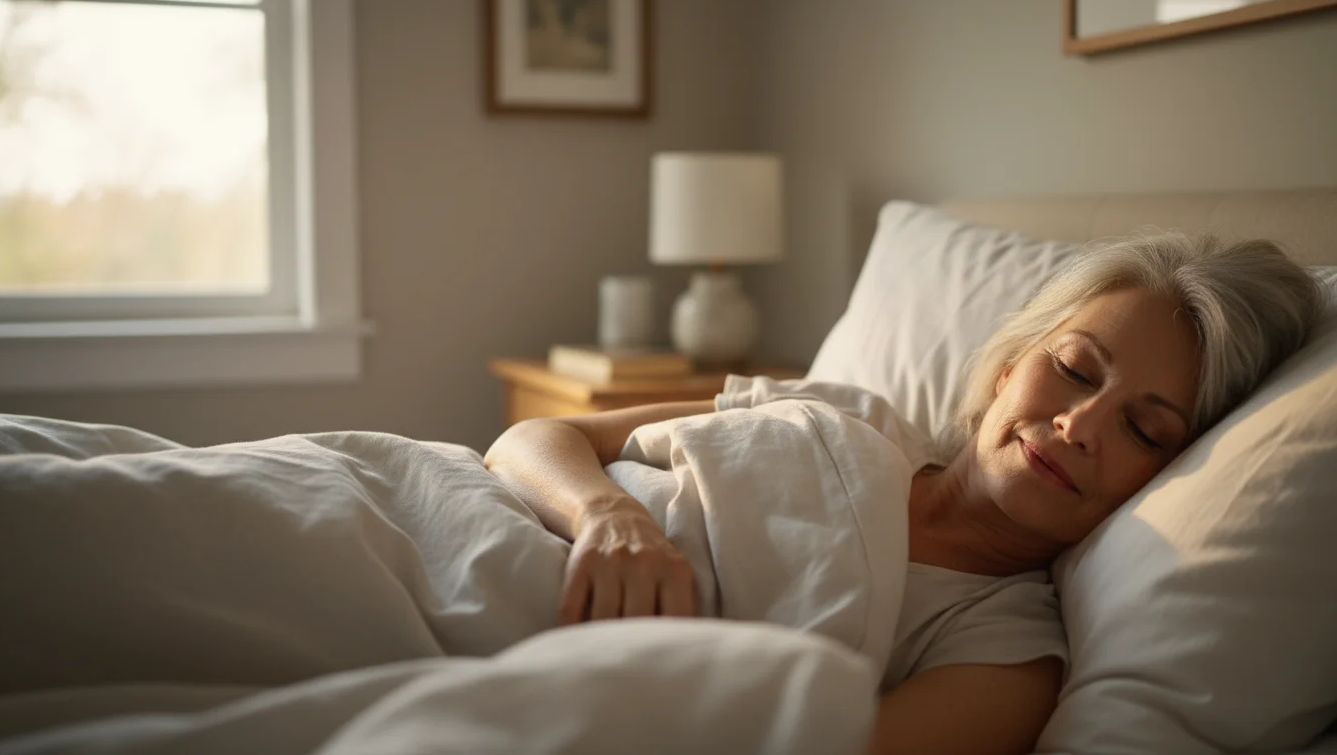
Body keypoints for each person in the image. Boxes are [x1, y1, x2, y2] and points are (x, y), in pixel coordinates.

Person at [483, 231, 1326, 754]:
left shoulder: (1006, 657)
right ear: (1006, 369)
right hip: (435, 512)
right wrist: (606, 513)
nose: (1079, 426)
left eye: (1147, 431)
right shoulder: (843, 410)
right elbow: (529, 440)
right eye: (1073, 369)